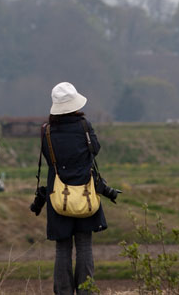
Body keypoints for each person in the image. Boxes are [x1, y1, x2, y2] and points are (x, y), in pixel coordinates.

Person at [41, 82, 107, 295]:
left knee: (62, 247)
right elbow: (95, 149)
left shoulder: (47, 131)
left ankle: (63, 291)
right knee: (84, 245)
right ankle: (86, 291)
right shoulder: (84, 126)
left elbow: (49, 159)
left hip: (58, 194)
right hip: (86, 192)